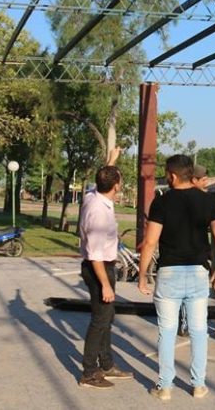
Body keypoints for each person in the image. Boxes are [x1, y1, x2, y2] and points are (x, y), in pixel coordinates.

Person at [138, 154, 215, 401]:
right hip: (199, 272)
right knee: (199, 331)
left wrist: (143, 275)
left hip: (169, 273)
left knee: (167, 331)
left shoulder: (161, 203)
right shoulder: (208, 201)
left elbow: (150, 242)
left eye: (167, 174)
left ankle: (165, 387)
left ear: (173, 176)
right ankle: (198, 385)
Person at [78, 156, 132, 389]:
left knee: (106, 319)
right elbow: (96, 255)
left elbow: (98, 181)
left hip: (101, 266)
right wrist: (106, 285)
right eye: (119, 179)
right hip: (99, 268)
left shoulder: (92, 195)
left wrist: (111, 160)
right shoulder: (99, 211)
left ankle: (107, 365)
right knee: (99, 321)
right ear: (116, 185)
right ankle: (89, 373)